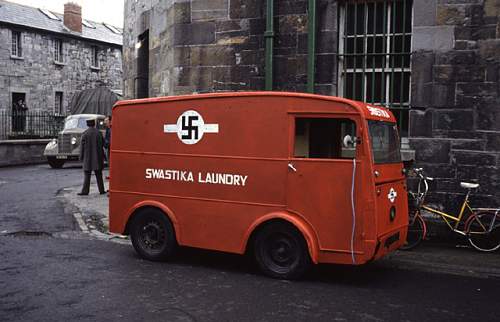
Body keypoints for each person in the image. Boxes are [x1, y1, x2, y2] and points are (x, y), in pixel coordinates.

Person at [78, 118, 106, 195]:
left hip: (88, 157)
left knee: (87, 175)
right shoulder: (99, 133)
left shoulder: (85, 134)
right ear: (94, 124)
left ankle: (85, 191)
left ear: (87, 125)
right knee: (99, 175)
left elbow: (82, 147)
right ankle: (101, 190)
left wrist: (81, 157)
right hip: (98, 157)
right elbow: (104, 144)